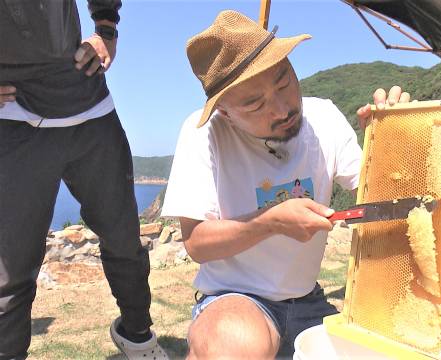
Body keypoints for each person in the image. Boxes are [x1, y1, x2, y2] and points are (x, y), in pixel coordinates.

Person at [161, 10, 363, 359]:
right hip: (235, 299)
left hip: (308, 300)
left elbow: (379, 199)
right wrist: (271, 221)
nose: (283, 109)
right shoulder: (203, 134)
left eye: (284, 81)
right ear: (225, 112)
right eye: (255, 104)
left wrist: (392, 134)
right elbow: (196, 242)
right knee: (235, 344)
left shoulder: (325, 117)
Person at [0, 1, 167, 359]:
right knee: (10, 271)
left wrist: (106, 28)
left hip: (88, 106)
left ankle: (137, 336)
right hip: (13, 118)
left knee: (123, 239)